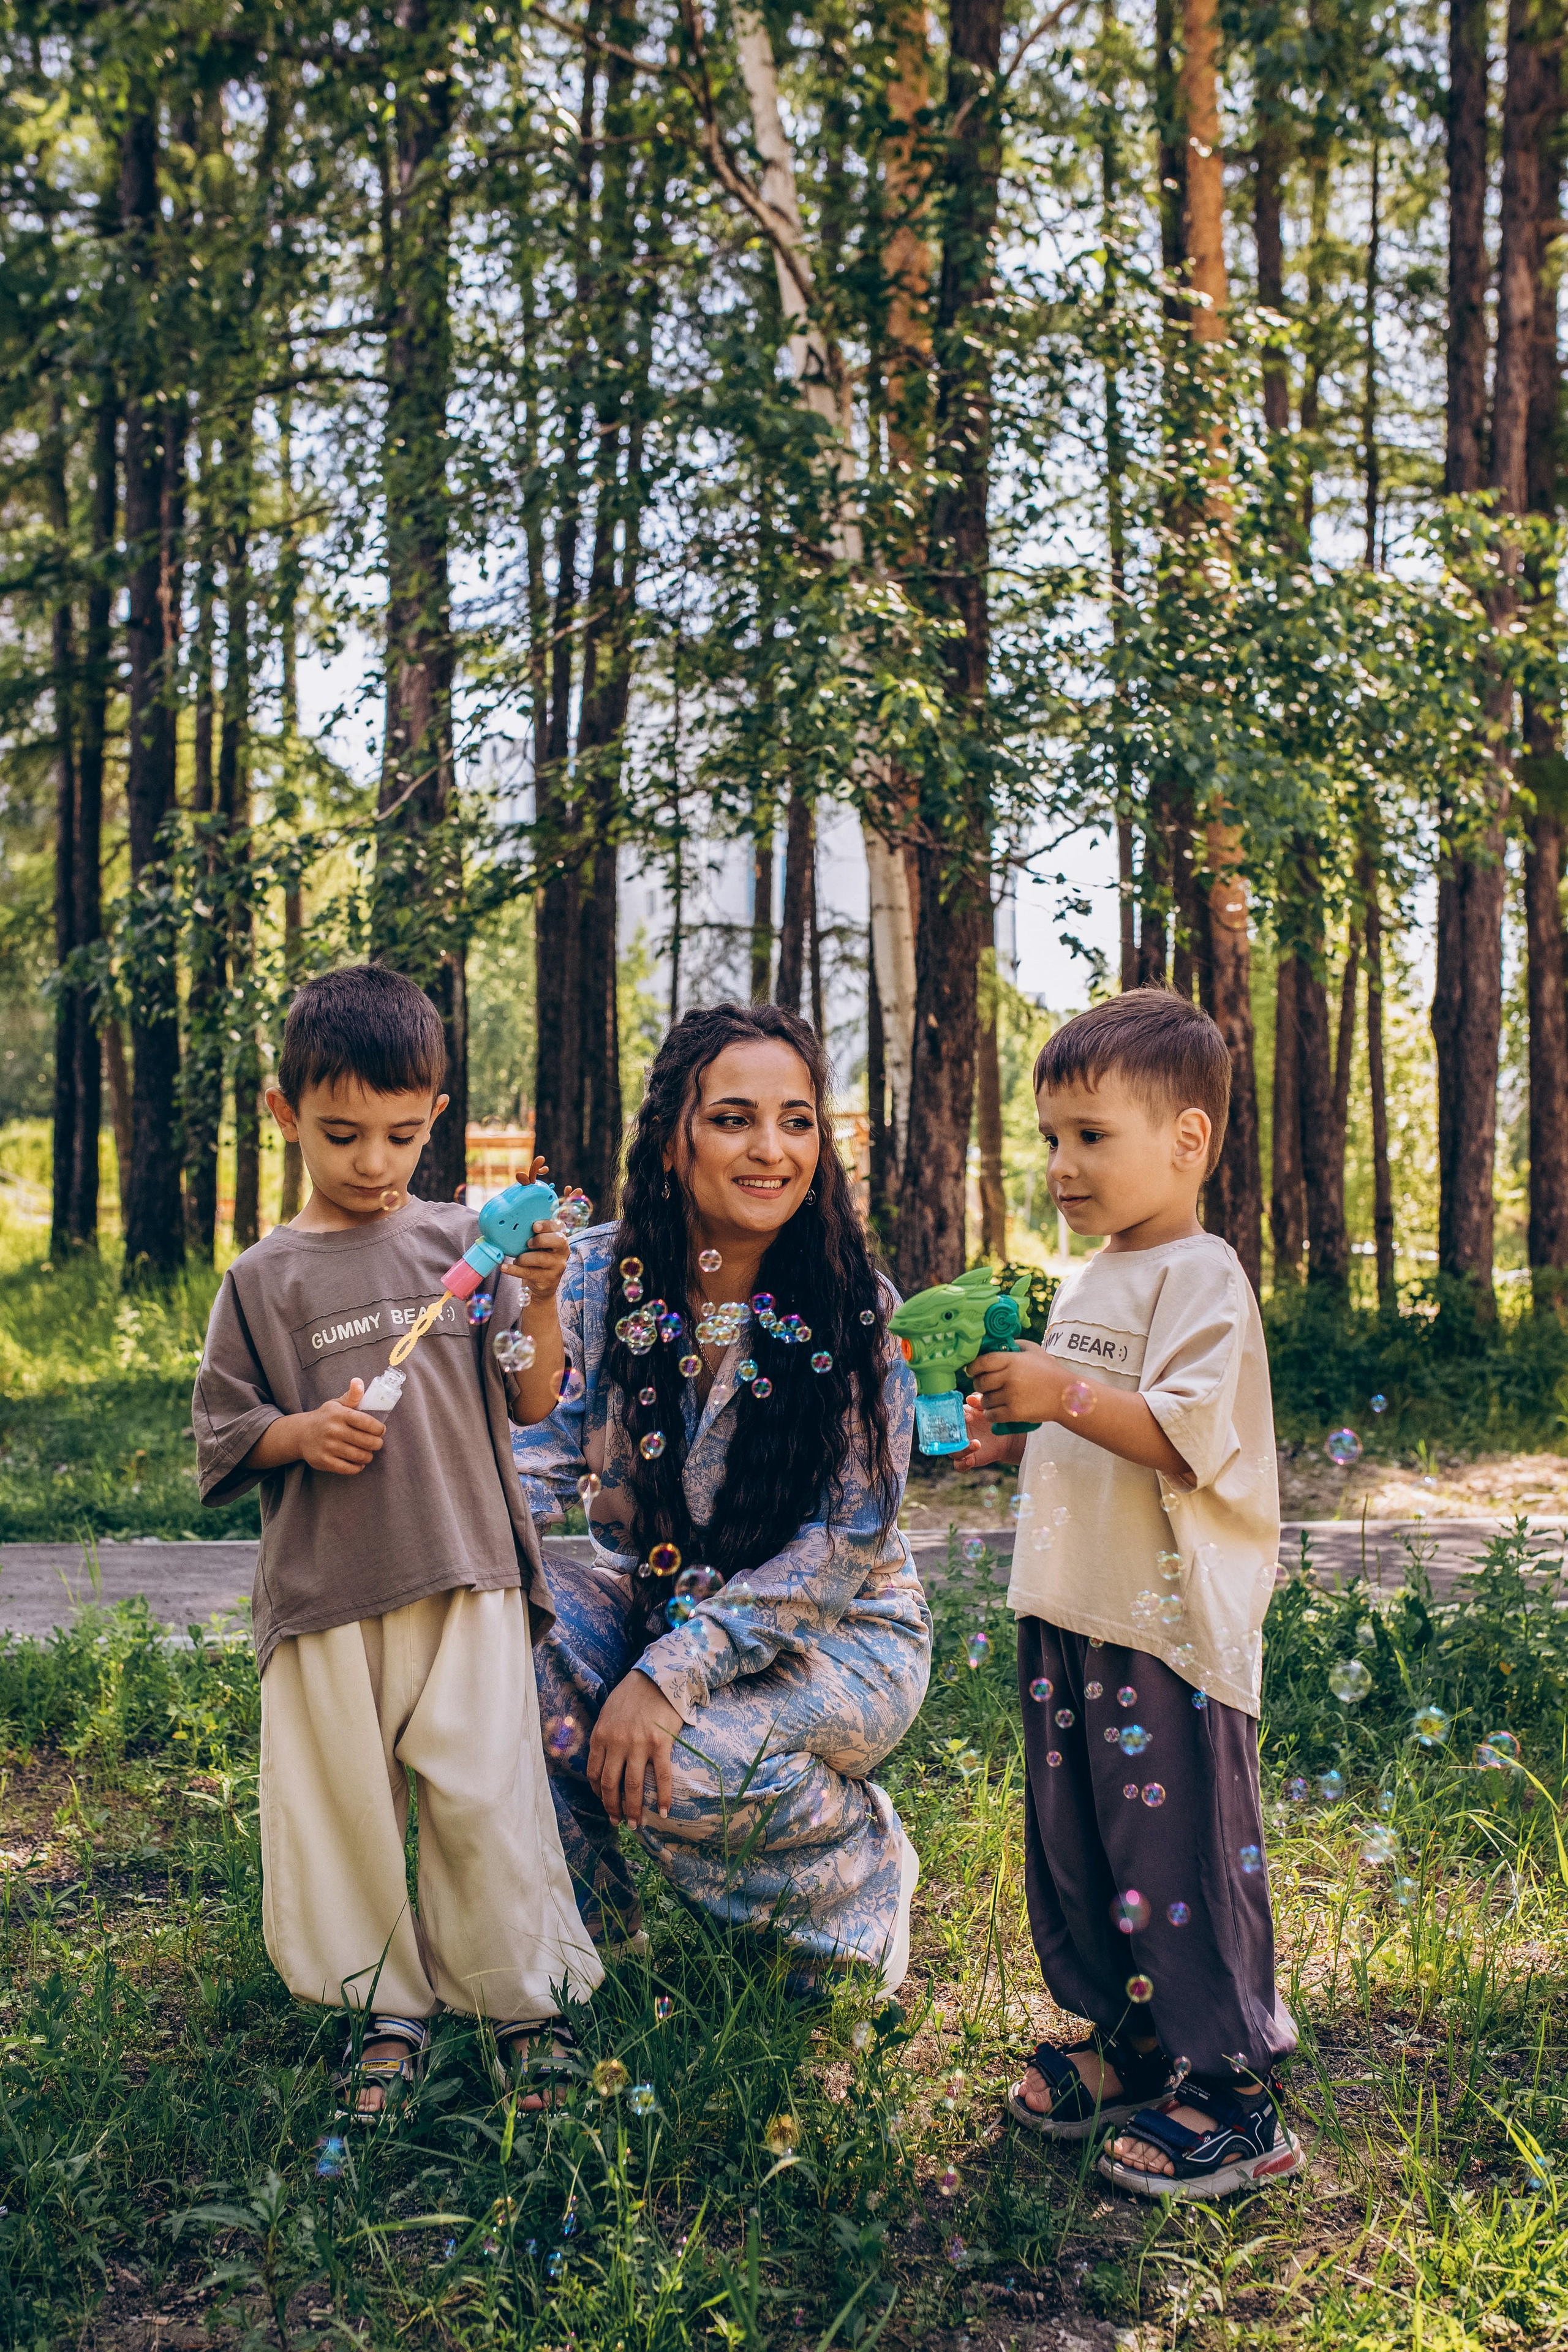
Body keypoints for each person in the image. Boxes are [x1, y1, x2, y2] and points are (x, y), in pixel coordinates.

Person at [193, 965, 600, 2118]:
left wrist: (535, 1302)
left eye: (401, 1135)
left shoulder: (463, 1245)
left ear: (435, 1115)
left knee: (486, 1789)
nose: (374, 1164)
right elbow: (225, 1432)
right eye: (341, 1135)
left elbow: (531, 1404)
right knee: (348, 1810)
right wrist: (297, 1434)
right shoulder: (261, 1280)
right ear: (285, 1116)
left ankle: (518, 2000)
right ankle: (385, 2009)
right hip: (327, 1594)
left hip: (466, 1563)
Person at [512, 1003, 928, 1992]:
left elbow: (837, 1548)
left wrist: (667, 1677)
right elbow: (530, 1465)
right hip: (657, 1599)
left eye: (797, 1121)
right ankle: (593, 1954)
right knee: (495, 1645)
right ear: (671, 1139)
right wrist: (429, 1577)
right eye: (734, 1118)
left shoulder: (856, 1309)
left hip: (842, 1634)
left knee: (680, 1768)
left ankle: (855, 1892)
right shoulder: (592, 1282)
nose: (771, 1150)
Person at [961, 986, 1300, 2198]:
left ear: (1186, 1141)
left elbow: (1183, 1435)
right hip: (1068, 1610)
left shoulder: (1199, 1277)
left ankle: (1231, 2090)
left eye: (1088, 1136)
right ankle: (1133, 2039)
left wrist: (1059, 1395)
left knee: (1175, 1851)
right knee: (1084, 1844)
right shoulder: (1090, 1273)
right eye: (1049, 1137)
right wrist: (1012, 1433)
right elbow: (1084, 1427)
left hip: (1162, 1634)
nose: (1058, 1165)